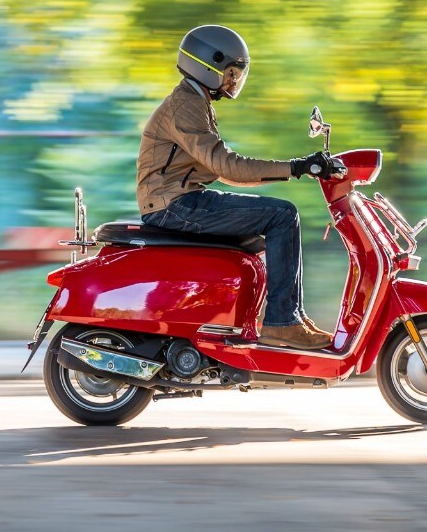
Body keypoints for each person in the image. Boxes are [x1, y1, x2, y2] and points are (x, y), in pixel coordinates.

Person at [136, 25, 346, 351]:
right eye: (230, 73)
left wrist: (296, 168)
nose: (234, 81)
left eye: (236, 75)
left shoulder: (194, 101)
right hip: (175, 205)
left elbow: (224, 169)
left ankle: (288, 317)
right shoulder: (186, 107)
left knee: (271, 224)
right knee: (282, 216)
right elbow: (228, 167)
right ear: (207, 65)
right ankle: (282, 323)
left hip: (179, 200)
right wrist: (297, 166)